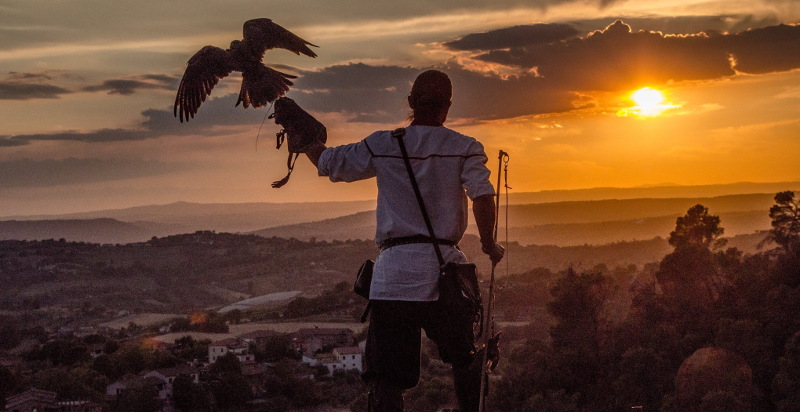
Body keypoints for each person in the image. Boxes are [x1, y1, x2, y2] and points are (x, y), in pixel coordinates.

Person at [295, 69, 504, 411]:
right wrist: (488, 243)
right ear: (447, 107)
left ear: (410, 103)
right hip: (445, 274)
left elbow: (331, 164)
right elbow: (482, 195)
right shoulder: (465, 147)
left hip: (392, 276)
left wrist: (305, 142)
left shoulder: (383, 143)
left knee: (387, 381)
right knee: (464, 359)